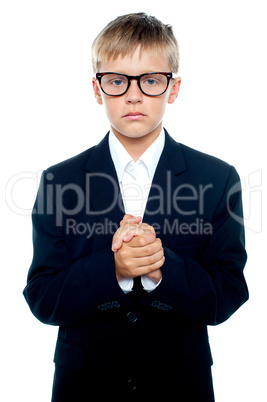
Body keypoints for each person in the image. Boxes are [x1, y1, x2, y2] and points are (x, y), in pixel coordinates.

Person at [23, 12, 248, 401]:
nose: (133, 94)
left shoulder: (217, 178)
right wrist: (113, 267)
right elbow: (43, 298)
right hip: (85, 387)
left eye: (150, 80)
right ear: (98, 89)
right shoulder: (60, 181)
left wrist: (161, 266)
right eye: (116, 80)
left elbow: (227, 293)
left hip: (180, 385)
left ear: (172, 88)